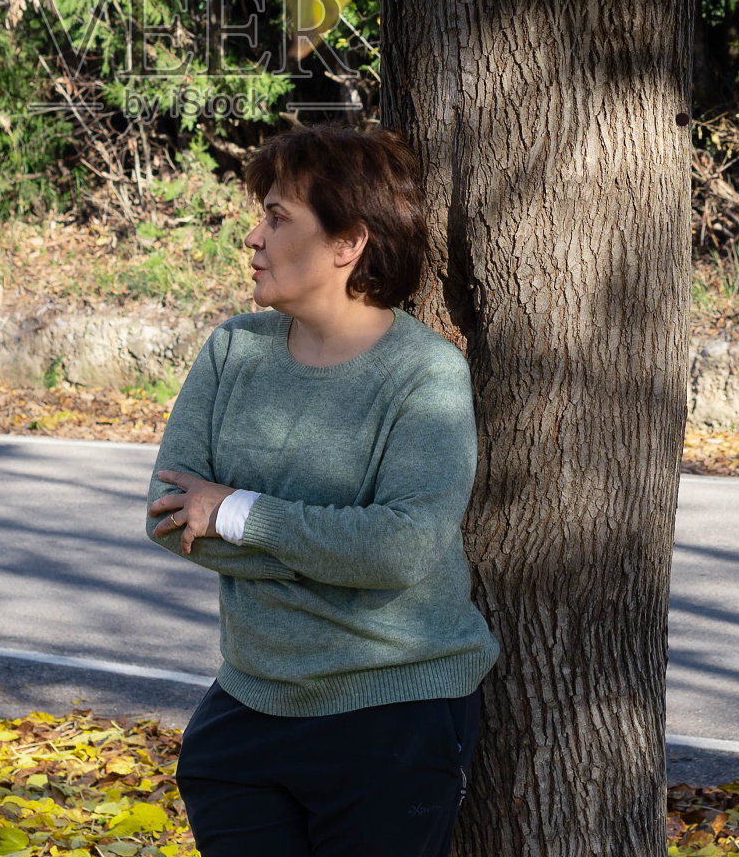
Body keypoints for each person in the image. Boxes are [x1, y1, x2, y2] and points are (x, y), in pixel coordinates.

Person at [145, 123, 499, 857]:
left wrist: (234, 512)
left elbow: (399, 551)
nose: (253, 238)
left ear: (348, 243)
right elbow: (168, 515)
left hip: (392, 713)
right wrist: (334, 550)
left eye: (278, 218)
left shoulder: (425, 374)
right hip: (247, 706)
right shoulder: (232, 350)